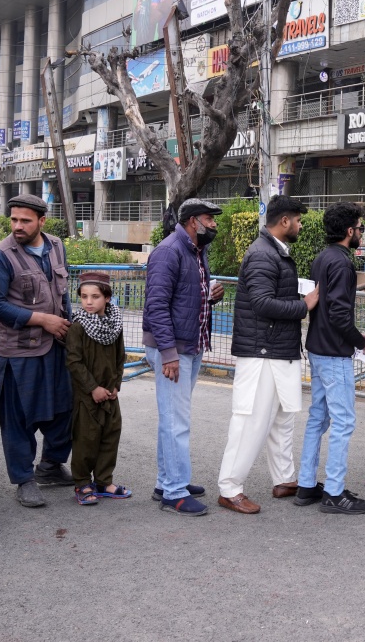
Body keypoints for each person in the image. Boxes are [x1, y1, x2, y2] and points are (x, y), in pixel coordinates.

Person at [218, 196, 316, 515]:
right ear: (284, 221)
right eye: (298, 220)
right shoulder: (262, 253)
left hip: (277, 350)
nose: (301, 225)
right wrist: (305, 306)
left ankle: (285, 479)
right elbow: (262, 303)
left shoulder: (272, 251)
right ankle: (229, 488)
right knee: (250, 420)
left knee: (282, 418)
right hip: (262, 352)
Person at [0, 193, 74, 509]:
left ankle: (50, 465)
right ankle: (24, 480)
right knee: (18, 419)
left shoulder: (56, 246)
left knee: (65, 410)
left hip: (57, 347)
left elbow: (63, 293)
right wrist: (42, 320)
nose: (17, 226)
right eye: (13, 220)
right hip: (19, 352)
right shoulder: (0, 256)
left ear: (41, 221)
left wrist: (67, 321)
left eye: (25, 220)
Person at [143, 198, 226, 517]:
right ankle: (175, 492)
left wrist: (211, 297)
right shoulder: (169, 251)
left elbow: (185, 298)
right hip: (174, 349)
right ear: (193, 221)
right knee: (176, 421)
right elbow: (157, 306)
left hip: (189, 344)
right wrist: (168, 354)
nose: (214, 224)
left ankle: (167, 482)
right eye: (210, 219)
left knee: (173, 417)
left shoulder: (196, 251)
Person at [296, 202, 365, 515]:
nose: (361, 233)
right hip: (333, 353)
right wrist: (363, 345)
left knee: (318, 417)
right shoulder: (343, 264)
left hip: (317, 347)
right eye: (360, 228)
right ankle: (333, 492)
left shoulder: (322, 258)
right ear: (349, 231)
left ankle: (306, 485)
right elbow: (341, 316)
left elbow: (328, 310)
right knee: (343, 421)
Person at [66, 271, 130, 505]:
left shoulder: (115, 324)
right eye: (84, 297)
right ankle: (82, 483)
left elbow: (120, 356)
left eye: (95, 296)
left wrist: (115, 385)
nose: (89, 302)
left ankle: (103, 480)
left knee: (110, 436)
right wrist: (93, 388)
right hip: (87, 396)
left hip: (110, 394)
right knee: (86, 439)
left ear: (107, 298)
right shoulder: (79, 326)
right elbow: (74, 362)